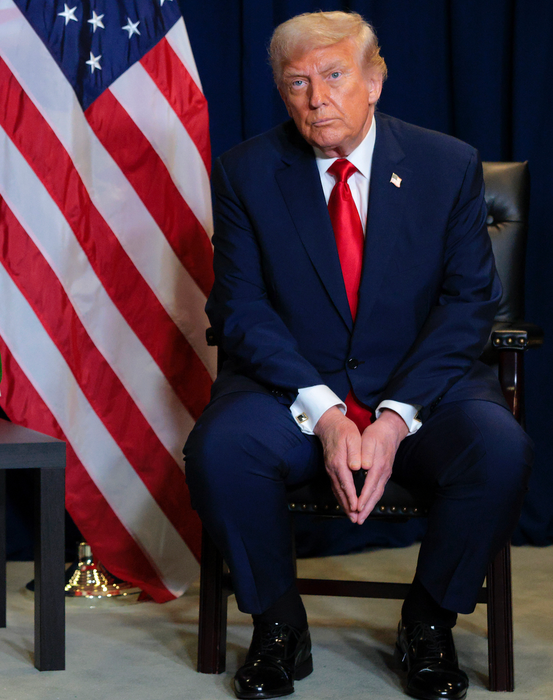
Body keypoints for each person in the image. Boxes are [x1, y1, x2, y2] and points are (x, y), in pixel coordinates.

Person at [183, 11, 532, 700]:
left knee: (498, 448)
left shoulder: (446, 165)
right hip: (291, 388)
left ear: (372, 81)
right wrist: (324, 411)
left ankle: (426, 624)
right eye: (297, 83)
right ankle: (280, 626)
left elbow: (468, 303)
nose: (316, 98)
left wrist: (396, 415)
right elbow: (240, 310)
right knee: (219, 449)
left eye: (334, 76)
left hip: (421, 388)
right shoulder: (246, 171)